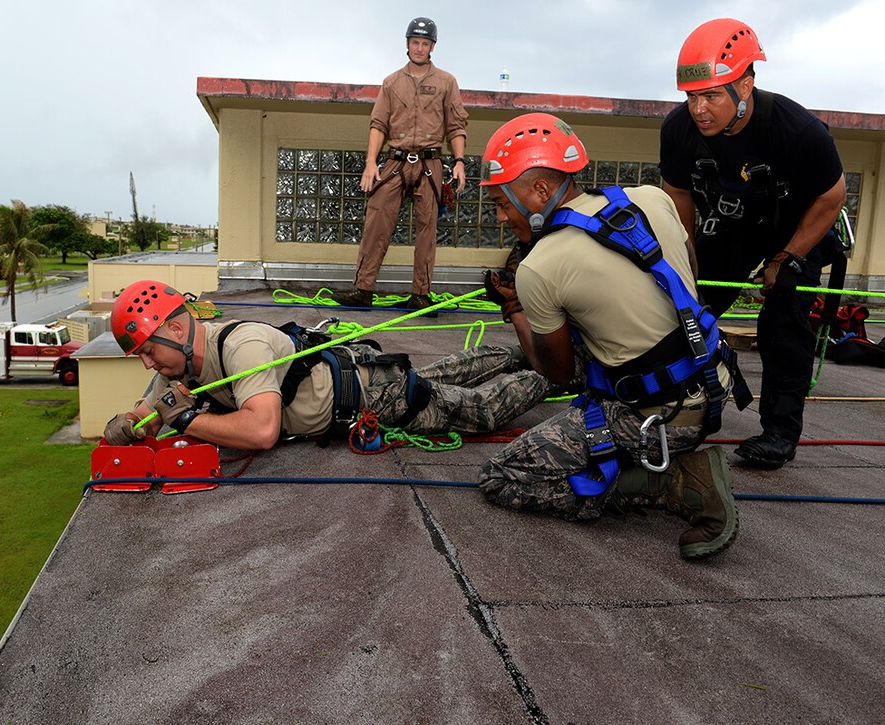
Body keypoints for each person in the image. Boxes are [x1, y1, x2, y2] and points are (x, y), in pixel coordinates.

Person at [476, 113, 749, 560]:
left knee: (502, 476)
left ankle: (676, 484)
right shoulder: (651, 198)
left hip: (662, 422)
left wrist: (515, 308)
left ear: (541, 192)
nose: (503, 217)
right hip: (712, 381)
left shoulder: (539, 267)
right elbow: (688, 277)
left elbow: (558, 373)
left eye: (503, 203)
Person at [659, 18, 846, 469]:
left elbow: (832, 196)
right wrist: (687, 258)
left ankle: (779, 433)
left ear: (745, 84)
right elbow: (678, 193)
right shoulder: (679, 130)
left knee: (783, 320)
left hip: (798, 225)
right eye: (690, 97)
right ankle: (664, 405)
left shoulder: (797, 130)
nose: (698, 109)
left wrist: (786, 258)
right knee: (686, 307)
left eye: (711, 96)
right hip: (732, 223)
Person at [103, 280, 556, 451]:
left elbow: (261, 431)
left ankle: (555, 370)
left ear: (176, 331)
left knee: (479, 409)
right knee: (448, 371)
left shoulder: (240, 346)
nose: (147, 364)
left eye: (146, 350)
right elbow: (148, 413)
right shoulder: (177, 367)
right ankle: (518, 353)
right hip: (362, 375)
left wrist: (185, 417)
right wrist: (124, 425)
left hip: (376, 398)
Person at [333, 17, 468, 314]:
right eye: (415, 42)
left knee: (427, 229)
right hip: (395, 160)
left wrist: (458, 162)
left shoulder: (446, 82)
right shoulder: (391, 83)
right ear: (407, 44)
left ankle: (421, 295)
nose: (420, 48)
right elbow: (378, 124)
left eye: (425, 43)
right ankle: (363, 290)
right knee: (377, 221)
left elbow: (456, 126)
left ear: (432, 46)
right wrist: (371, 163)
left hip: (430, 163)